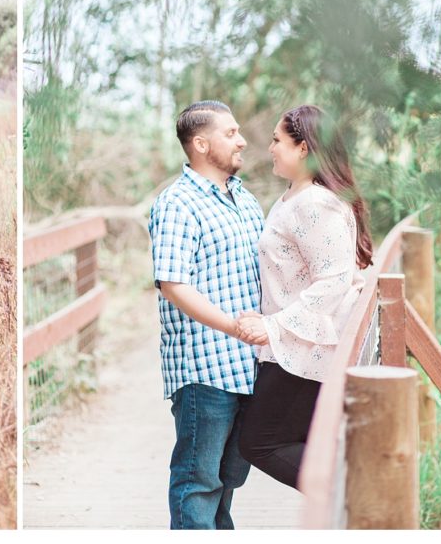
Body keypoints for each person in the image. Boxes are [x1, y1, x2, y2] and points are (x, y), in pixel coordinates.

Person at [237, 104, 372, 489]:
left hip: (303, 346)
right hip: (292, 345)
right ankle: (347, 508)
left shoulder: (315, 204)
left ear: (303, 148)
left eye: (277, 140)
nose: (270, 148)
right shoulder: (295, 198)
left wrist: (274, 325)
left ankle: (355, 494)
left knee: (261, 443)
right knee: (305, 443)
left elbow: (335, 278)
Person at [149, 100, 268, 530]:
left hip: (248, 365)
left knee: (227, 480)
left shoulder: (245, 200)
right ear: (201, 144)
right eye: (230, 133)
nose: (242, 140)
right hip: (204, 367)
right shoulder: (177, 204)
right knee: (197, 481)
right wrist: (236, 327)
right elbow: (173, 285)